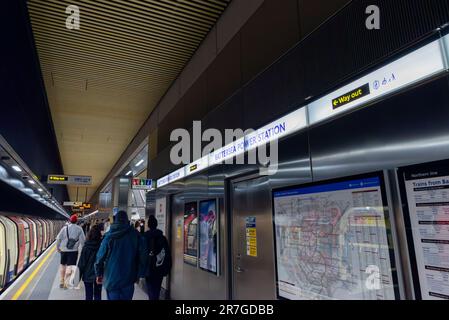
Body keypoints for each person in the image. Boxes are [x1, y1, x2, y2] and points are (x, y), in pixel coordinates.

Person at [94, 211, 146, 300]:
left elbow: (99, 258)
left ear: (115, 220)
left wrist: (98, 274)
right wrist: (140, 273)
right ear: (127, 220)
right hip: (129, 278)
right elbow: (143, 256)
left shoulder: (109, 236)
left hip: (111, 278)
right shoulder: (135, 234)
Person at [143, 215, 172, 300]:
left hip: (148, 268)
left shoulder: (144, 238)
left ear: (148, 225)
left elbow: (141, 253)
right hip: (159, 268)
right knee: (157, 289)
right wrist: (167, 268)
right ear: (156, 225)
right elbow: (167, 254)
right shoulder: (162, 238)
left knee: (150, 288)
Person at [56, 214, 85, 289]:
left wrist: (58, 247)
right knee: (70, 267)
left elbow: (58, 238)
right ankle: (66, 282)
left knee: (62, 265)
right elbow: (83, 241)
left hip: (64, 250)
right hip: (73, 251)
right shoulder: (79, 229)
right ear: (76, 221)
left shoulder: (64, 228)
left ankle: (61, 281)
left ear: (69, 221)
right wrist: (83, 249)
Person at [77, 225, 103, 300]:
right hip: (99, 274)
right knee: (98, 295)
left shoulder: (86, 247)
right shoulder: (101, 246)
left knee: (88, 296)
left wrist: (77, 277)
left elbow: (81, 263)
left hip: (87, 275)